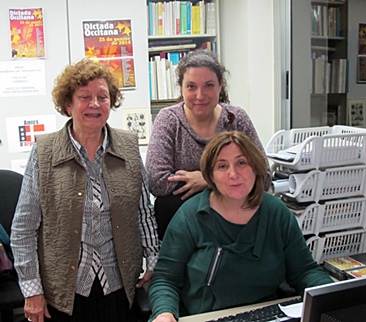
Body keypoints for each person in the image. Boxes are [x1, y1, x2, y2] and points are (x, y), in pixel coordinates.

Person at [10, 59, 160, 322]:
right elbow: (23, 228)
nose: (94, 104)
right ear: (68, 104)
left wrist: (154, 260)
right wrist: (32, 290)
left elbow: (143, 213)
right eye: (84, 97)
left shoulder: (128, 148)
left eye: (102, 97)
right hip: (64, 290)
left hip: (119, 282)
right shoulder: (44, 153)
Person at [148, 131, 333, 322]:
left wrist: (333, 301)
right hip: (206, 316)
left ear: (255, 167)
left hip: (266, 314)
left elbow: (305, 271)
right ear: (210, 175)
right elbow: (165, 279)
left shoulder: (276, 213)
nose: (233, 174)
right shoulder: (190, 216)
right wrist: (164, 313)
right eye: (222, 166)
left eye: (241, 163)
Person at [145, 50, 272, 239]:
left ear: (221, 86)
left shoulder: (236, 119)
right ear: (181, 88)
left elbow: (264, 177)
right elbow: (156, 182)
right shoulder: (168, 120)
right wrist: (228, 183)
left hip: (238, 225)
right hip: (183, 228)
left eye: (209, 85)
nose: (200, 95)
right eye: (191, 86)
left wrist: (206, 179)